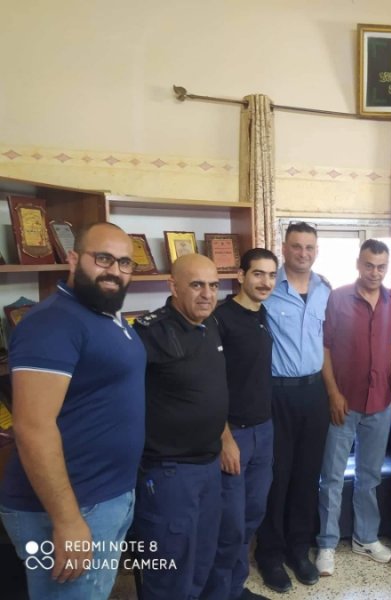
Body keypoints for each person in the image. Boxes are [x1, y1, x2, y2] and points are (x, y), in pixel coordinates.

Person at [0, 222, 144, 599]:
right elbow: (32, 427)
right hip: (72, 506)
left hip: (107, 495)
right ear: (73, 259)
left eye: (125, 262)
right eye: (103, 258)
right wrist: (66, 520)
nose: (114, 270)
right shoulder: (52, 322)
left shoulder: (105, 314)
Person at [132, 253, 228, 599]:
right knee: (169, 572)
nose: (207, 294)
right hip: (169, 472)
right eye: (197, 285)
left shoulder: (210, 323)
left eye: (213, 286)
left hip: (208, 466)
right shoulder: (150, 333)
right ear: (173, 286)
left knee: (201, 561)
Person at [254, 222, 331, 594]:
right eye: (296, 246)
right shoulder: (268, 288)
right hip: (276, 394)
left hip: (314, 393)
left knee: (307, 475)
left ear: (316, 250)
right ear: (284, 248)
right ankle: (270, 554)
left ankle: (299, 549)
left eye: (309, 247)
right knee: (276, 476)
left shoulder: (325, 290)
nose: (303, 253)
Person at [315, 240, 391, 576]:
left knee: (369, 476)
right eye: (368, 265)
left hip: (380, 403)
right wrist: (333, 393)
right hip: (343, 403)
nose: (374, 272)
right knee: (332, 477)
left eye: (381, 266)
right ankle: (326, 543)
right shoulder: (336, 298)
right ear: (357, 264)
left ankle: (365, 538)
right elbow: (323, 348)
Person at [204, 249, 278, 600]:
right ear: (240, 275)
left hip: (264, 430)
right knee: (230, 524)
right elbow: (210, 384)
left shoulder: (263, 314)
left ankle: (234, 587)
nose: (266, 282)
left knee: (252, 516)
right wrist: (225, 438)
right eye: (258, 274)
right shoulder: (220, 319)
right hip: (234, 434)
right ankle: (219, 593)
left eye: (271, 275)